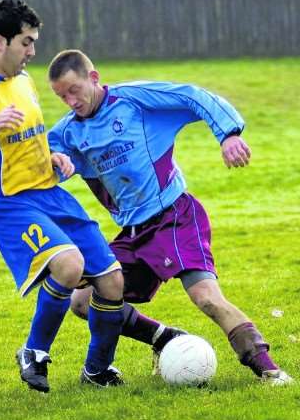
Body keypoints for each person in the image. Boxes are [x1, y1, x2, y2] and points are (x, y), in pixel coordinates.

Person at [47, 49, 293, 385]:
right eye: (61, 96)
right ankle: (166, 339)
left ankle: (268, 368)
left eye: (74, 90)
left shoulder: (134, 100)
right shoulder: (68, 133)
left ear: (94, 77)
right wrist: (51, 160)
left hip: (174, 217)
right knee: (84, 301)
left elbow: (193, 96)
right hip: (133, 233)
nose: (70, 101)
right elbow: (44, 163)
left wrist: (229, 134)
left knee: (205, 297)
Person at [0, 0, 128, 393]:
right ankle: (34, 353)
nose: (32, 51)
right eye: (26, 42)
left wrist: (54, 155)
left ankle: (97, 371)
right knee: (68, 265)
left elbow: (32, 137)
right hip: (7, 202)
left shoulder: (24, 83)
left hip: (48, 193)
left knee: (112, 281)